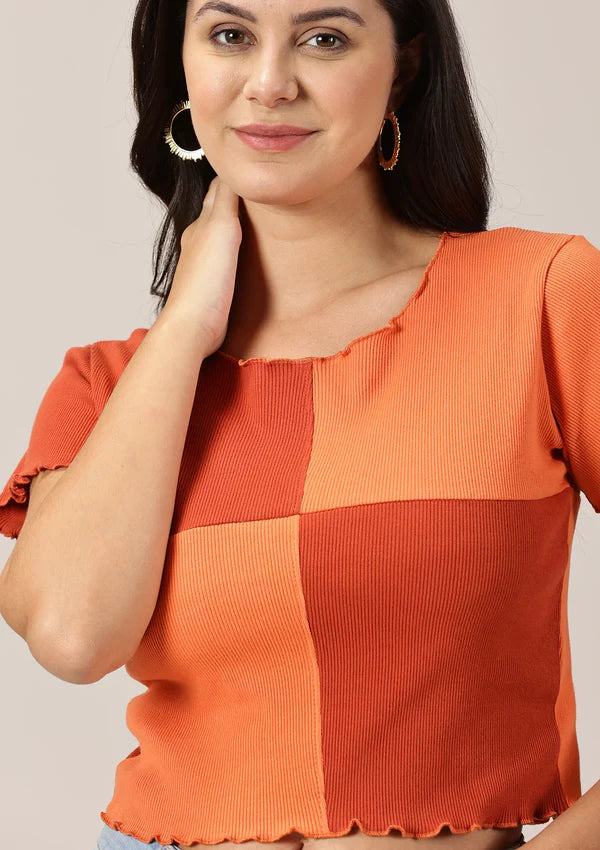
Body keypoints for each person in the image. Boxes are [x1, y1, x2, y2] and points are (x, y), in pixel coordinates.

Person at [0, 1, 598, 849]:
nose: (270, 82)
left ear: (406, 68)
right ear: (182, 69)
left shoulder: (539, 296)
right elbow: (70, 636)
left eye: (324, 38)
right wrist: (185, 331)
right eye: (230, 35)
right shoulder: (112, 384)